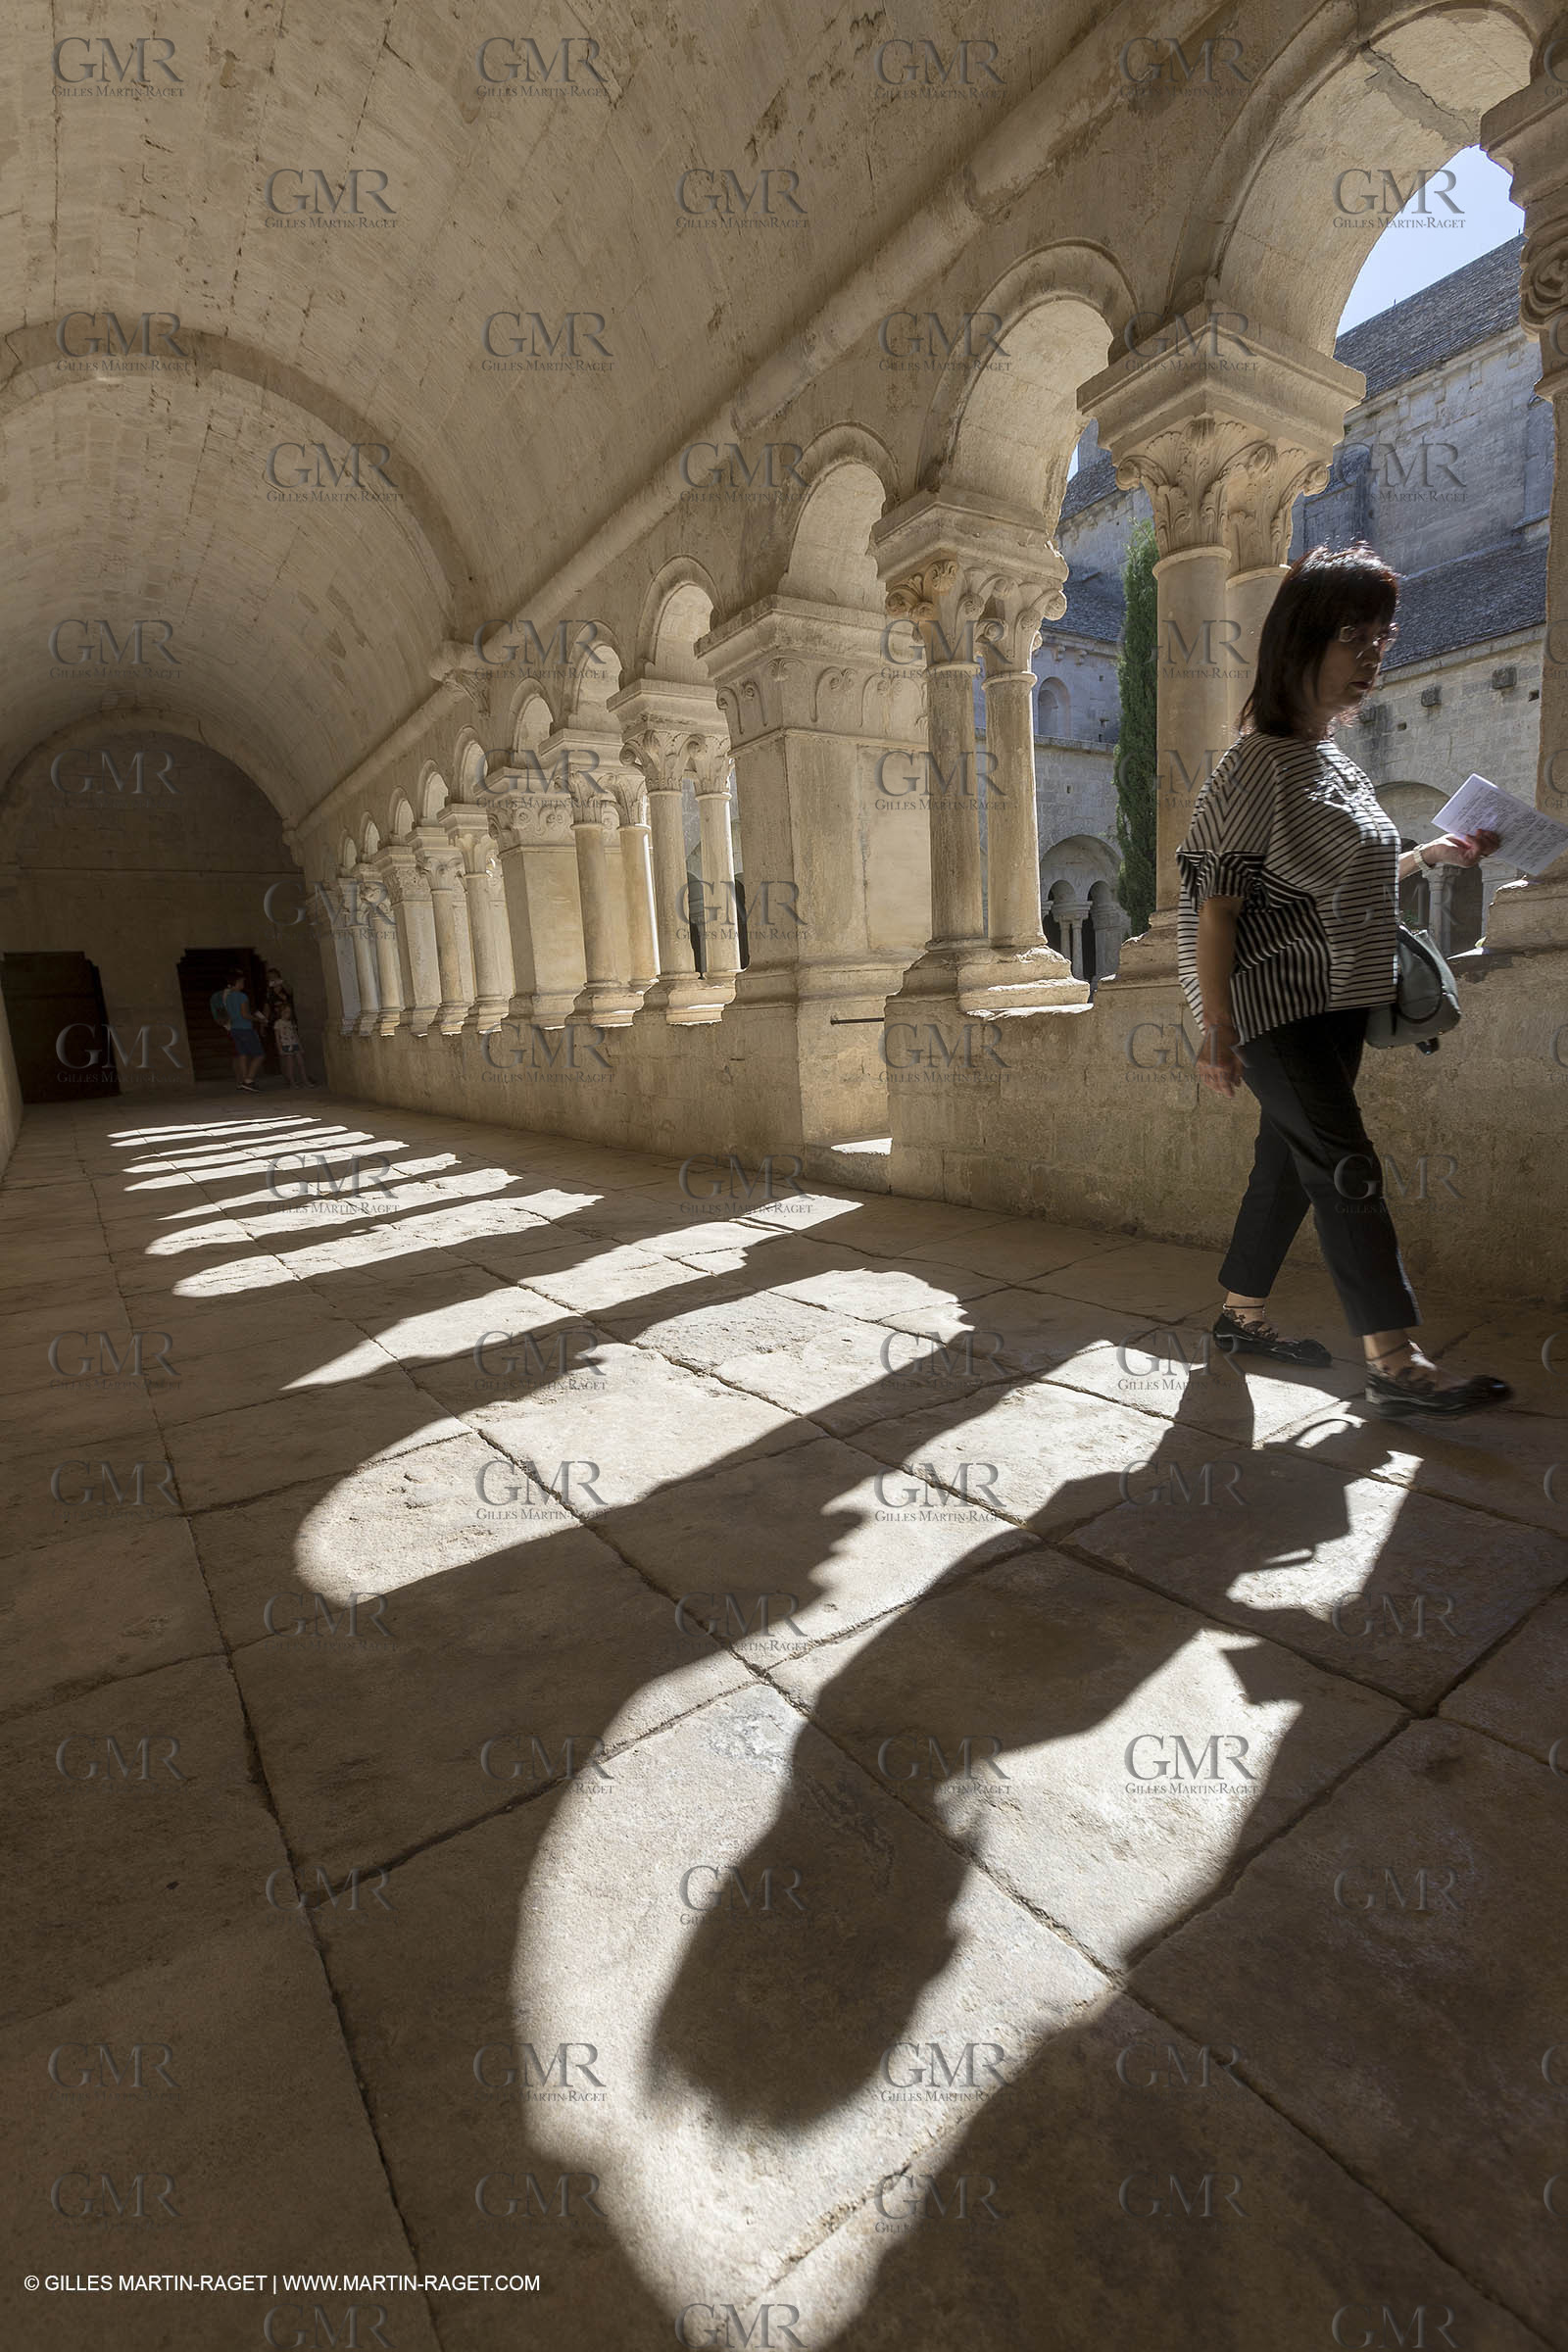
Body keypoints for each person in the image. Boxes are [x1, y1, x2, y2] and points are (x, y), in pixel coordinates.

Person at [1177, 542, 1510, 1421]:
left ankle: (1240, 1320)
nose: (1371, 655)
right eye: (1352, 635)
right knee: (1347, 1167)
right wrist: (1214, 1025)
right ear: (1300, 644)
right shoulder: (1256, 765)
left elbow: (1344, 879)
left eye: (1382, 637)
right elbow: (1216, 906)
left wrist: (1431, 855)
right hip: (1276, 1007)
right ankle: (1395, 1362)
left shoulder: (1336, 766)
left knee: (1291, 1165)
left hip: (1343, 1003)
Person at [220, 967, 267, 1092]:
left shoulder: (228, 997)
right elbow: (245, 1015)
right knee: (259, 1055)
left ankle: (243, 1081)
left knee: (242, 1055)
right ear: (237, 982)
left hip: (235, 1029)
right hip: (245, 1028)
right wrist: (260, 1020)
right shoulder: (242, 996)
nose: (243, 984)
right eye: (242, 981)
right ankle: (249, 1080)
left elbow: (230, 1014)